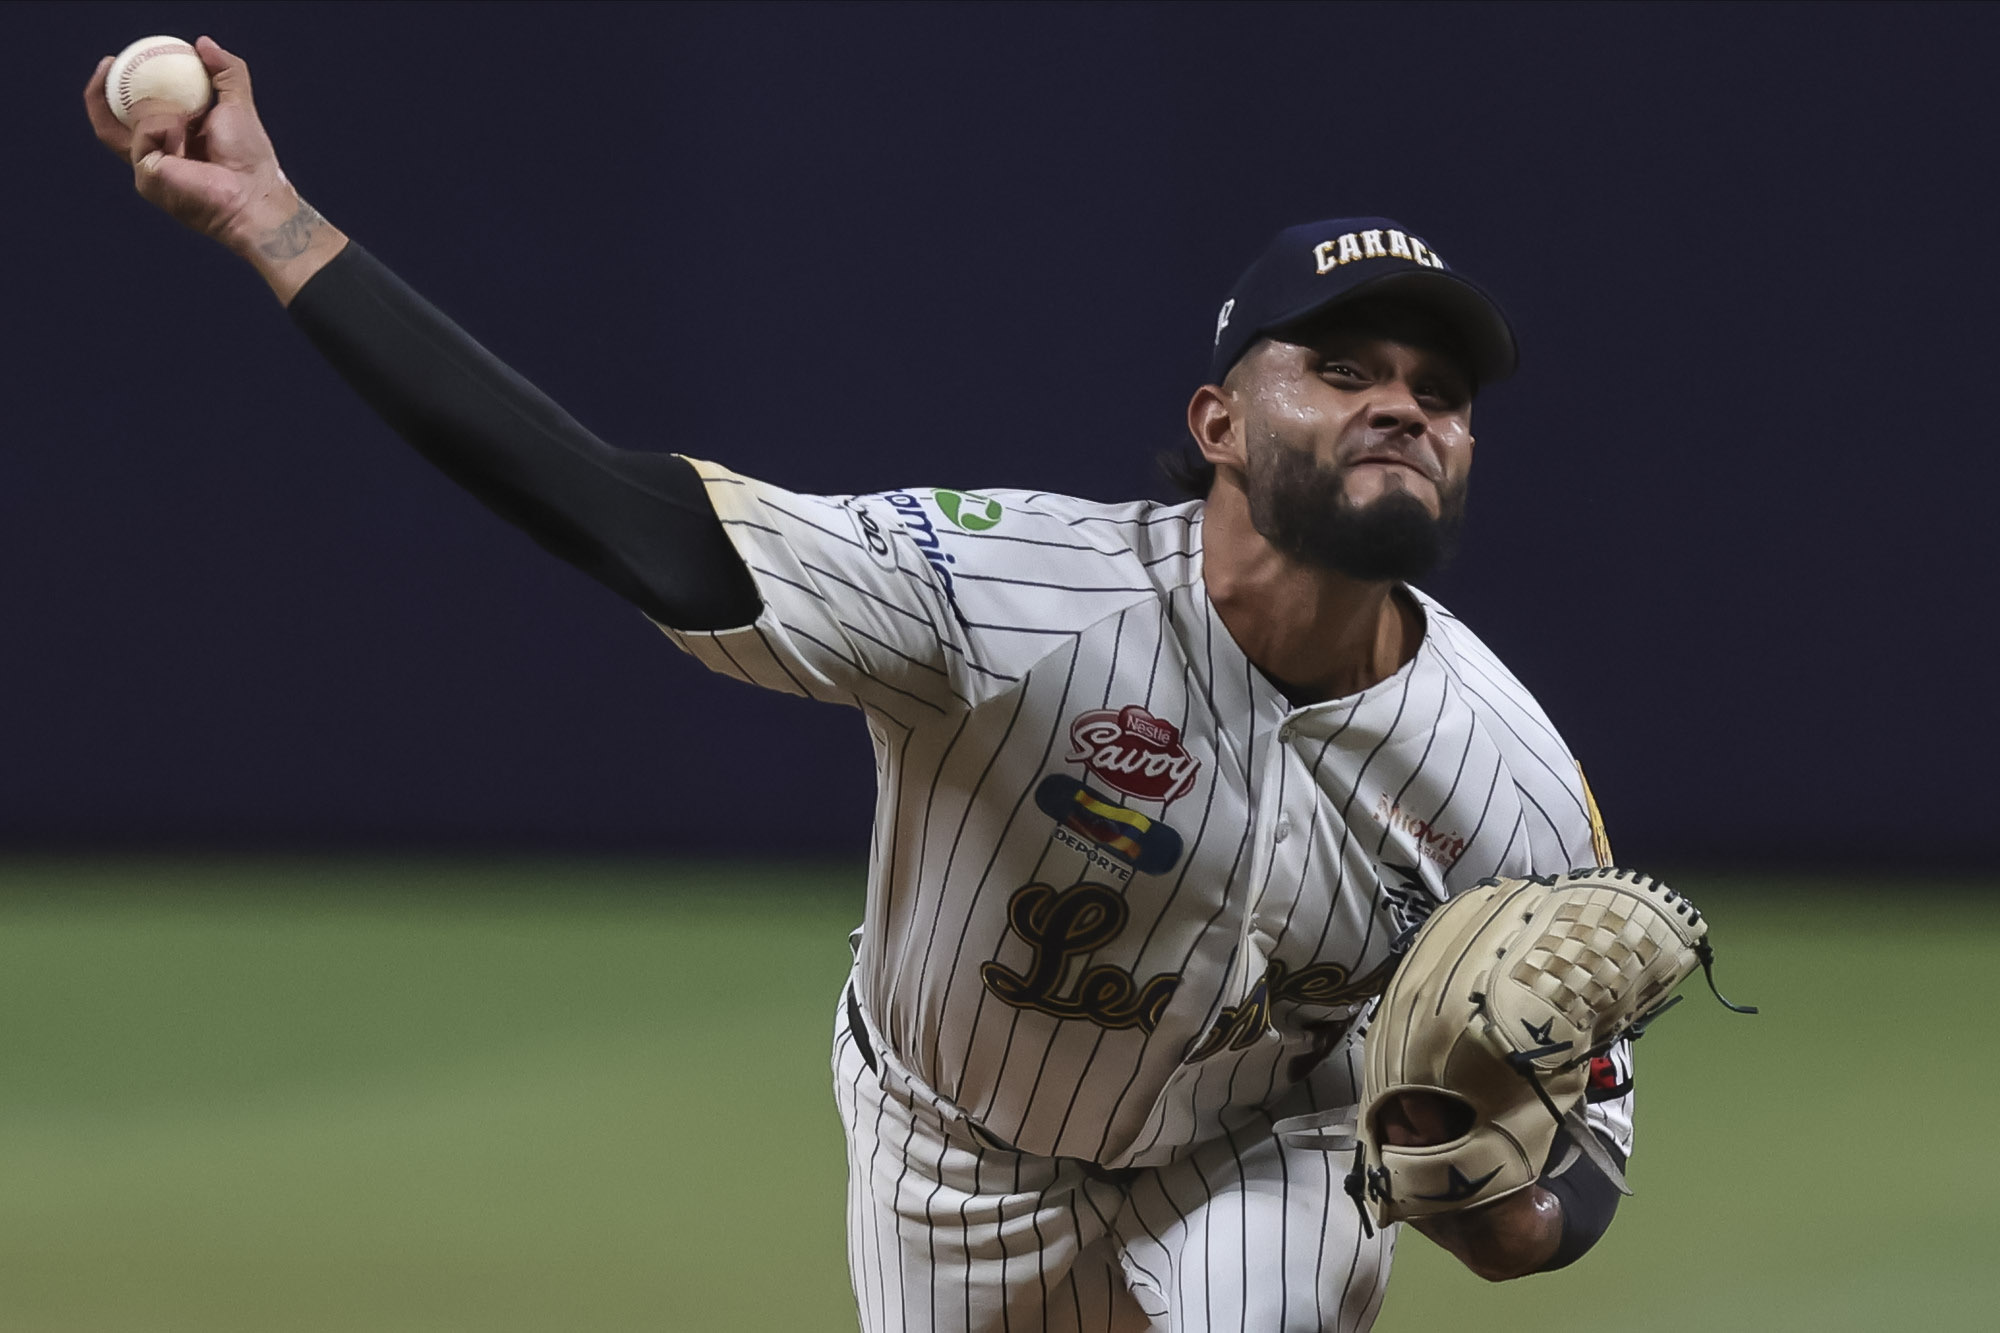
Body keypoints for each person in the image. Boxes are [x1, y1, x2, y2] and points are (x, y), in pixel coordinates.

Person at [87, 37, 1635, 1333]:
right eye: (1346, 369)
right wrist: (274, 223)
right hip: (950, 1152)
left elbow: (1593, 1139)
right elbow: (633, 522)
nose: (1404, 409)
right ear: (1219, 422)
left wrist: (1518, 1220)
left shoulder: (1501, 770)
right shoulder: (1008, 596)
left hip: (1265, 1150)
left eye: (1440, 394)